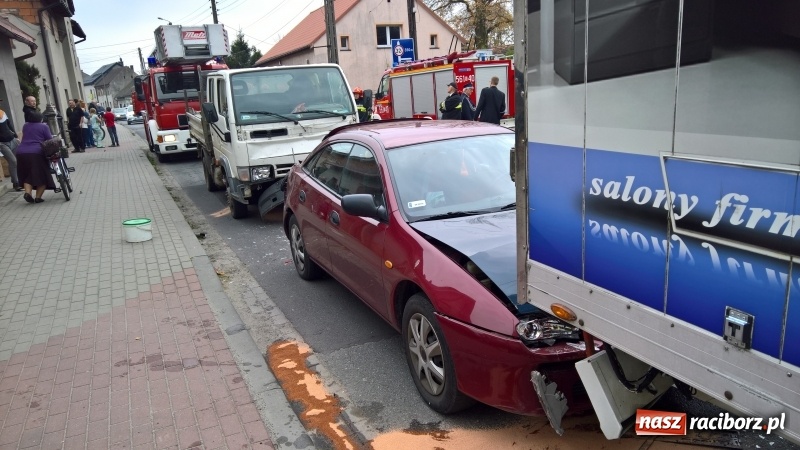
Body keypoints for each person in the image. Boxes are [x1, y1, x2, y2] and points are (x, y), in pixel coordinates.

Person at [15, 111, 56, 203]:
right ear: (40, 118)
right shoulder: (44, 126)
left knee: (27, 174)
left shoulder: (25, 126)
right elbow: (49, 140)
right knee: (43, 175)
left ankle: (28, 193)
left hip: (21, 152)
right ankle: (38, 197)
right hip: (36, 153)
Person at [0, 108, 22, 191]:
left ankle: (17, 181)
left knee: (17, 161)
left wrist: (16, 136)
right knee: (13, 161)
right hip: (2, 143)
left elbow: (9, 125)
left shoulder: (2, 112)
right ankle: (16, 183)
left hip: (12, 140)